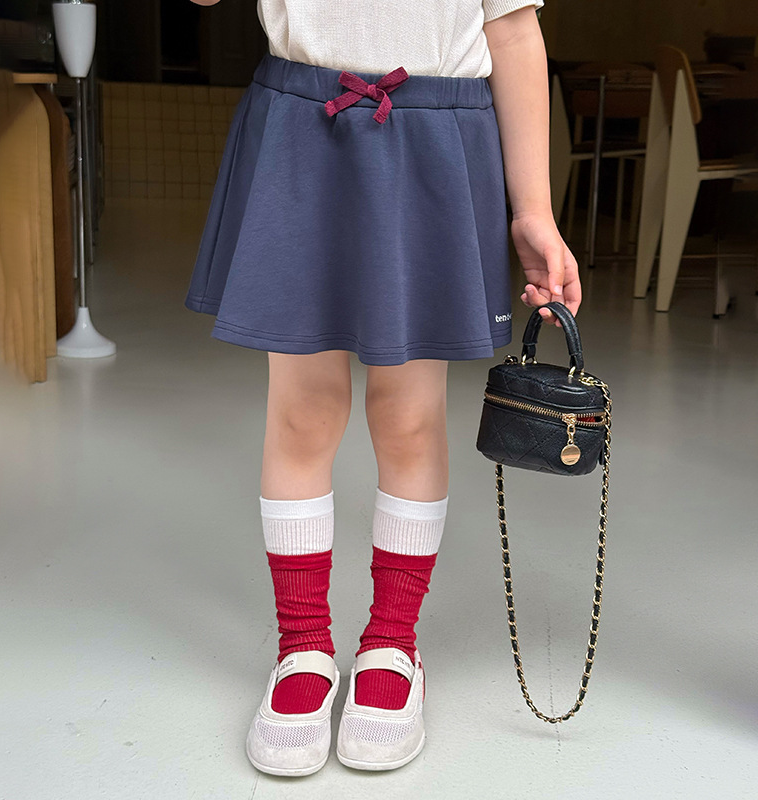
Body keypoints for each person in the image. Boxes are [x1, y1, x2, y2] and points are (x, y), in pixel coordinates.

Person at [185, 0, 581, 776]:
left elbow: (513, 32)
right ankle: (303, 646)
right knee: (303, 411)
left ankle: (393, 643)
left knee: (408, 414)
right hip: (303, 122)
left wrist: (533, 208)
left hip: (435, 134)